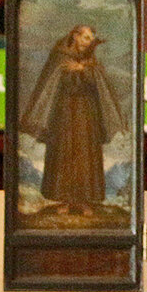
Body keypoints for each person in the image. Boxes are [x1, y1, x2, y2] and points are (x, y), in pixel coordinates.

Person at [19, 24, 127, 216]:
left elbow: (97, 81)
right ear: (75, 36)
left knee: (86, 155)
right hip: (64, 114)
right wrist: (73, 71)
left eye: (91, 39)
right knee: (64, 154)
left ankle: (84, 201)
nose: (89, 42)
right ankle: (65, 200)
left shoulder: (91, 59)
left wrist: (83, 69)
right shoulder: (60, 55)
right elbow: (54, 80)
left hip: (87, 114)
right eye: (86, 38)